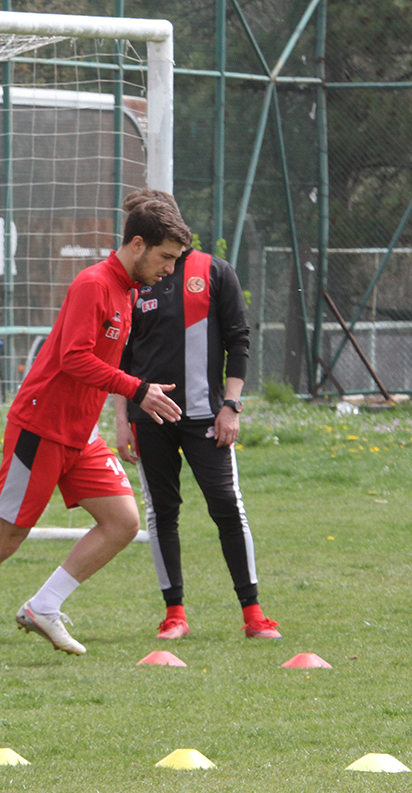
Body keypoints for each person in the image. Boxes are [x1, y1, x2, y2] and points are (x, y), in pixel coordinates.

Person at [0, 199, 190, 665]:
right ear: (137, 245)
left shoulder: (129, 290)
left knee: (122, 521)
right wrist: (137, 390)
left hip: (79, 433)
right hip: (40, 428)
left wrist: (123, 406)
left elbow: (104, 364)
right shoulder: (93, 284)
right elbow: (73, 358)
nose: (169, 270)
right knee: (5, 538)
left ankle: (44, 606)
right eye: (165, 258)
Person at [113, 190, 280, 641]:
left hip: (208, 417)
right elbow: (121, 355)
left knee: (227, 506)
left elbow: (239, 340)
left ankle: (254, 613)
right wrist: (122, 417)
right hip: (149, 419)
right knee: (161, 512)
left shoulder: (214, 272)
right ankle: (175, 613)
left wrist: (232, 405)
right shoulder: (134, 279)